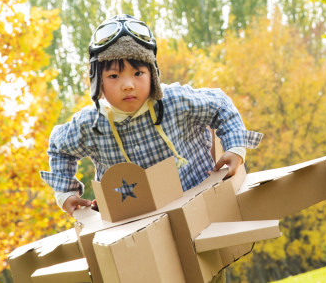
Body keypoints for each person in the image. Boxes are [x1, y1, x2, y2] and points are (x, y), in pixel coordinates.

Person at [41, 14, 263, 217]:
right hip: (137, 225)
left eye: (138, 73)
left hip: (200, 206)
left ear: (153, 74)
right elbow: (59, 147)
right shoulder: (91, 124)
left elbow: (220, 104)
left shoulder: (175, 100)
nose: (128, 85)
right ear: (97, 81)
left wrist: (235, 149)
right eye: (114, 76)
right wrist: (65, 193)